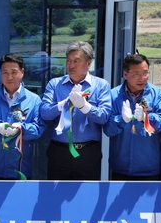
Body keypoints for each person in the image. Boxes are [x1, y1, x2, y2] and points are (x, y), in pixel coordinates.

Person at [39, 41, 111, 180]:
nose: (71, 66)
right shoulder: (55, 84)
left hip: (88, 153)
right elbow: (45, 113)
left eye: (76, 61)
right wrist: (63, 104)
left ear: (89, 63)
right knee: (55, 197)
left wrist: (85, 106)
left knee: (87, 196)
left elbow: (104, 117)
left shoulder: (101, 85)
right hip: (59, 152)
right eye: (69, 61)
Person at [0, 54, 46, 180]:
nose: (9, 77)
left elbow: (39, 129)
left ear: (22, 72)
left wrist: (21, 129)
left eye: (14, 72)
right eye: (5, 72)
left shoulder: (34, 100)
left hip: (21, 169)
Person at [103, 54, 161, 180]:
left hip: (149, 167)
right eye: (136, 74)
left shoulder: (158, 95)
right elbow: (108, 130)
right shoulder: (113, 95)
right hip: (120, 166)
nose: (142, 78)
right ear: (125, 74)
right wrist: (121, 120)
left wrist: (146, 118)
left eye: (145, 73)